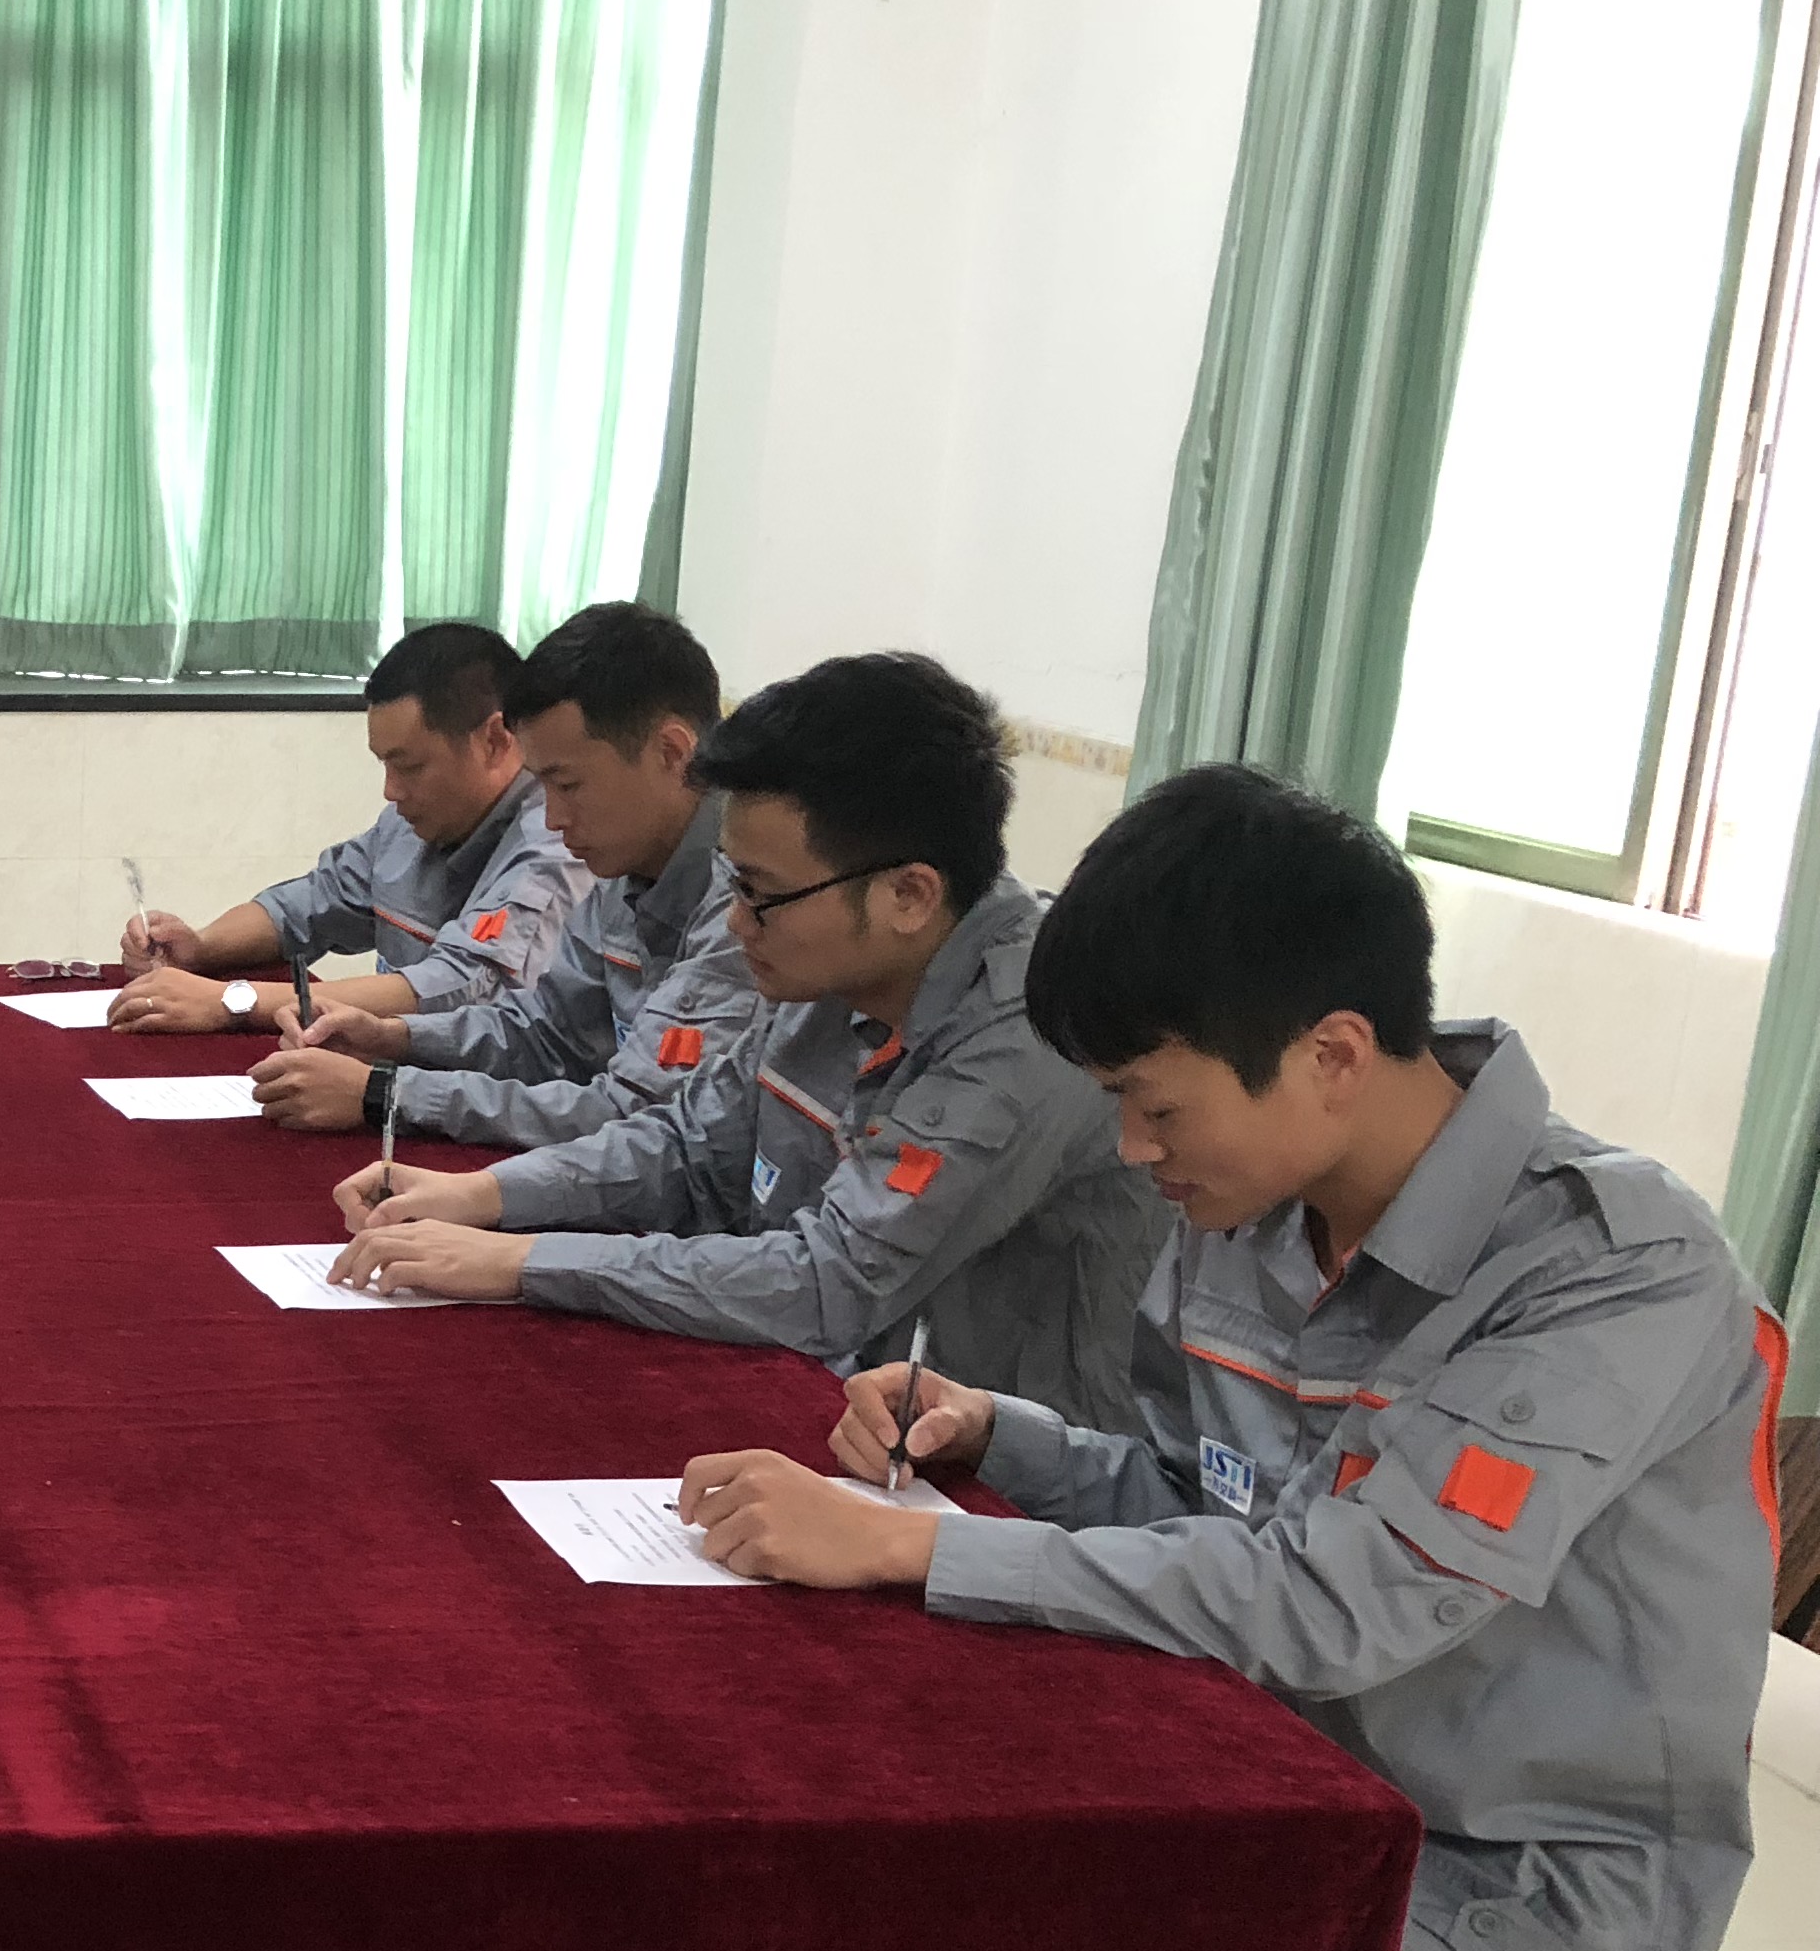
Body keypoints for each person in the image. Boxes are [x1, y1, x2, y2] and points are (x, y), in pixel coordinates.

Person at [674, 764, 1782, 1951]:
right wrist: (1001, 1439)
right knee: (887, 1880)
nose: (1130, 1151)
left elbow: (1335, 1600)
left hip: (1521, 1886)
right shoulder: (1255, 1210)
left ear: (1330, 1052)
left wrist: (906, 1551)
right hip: (1273, 1779)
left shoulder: (1609, 1268)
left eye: (1151, 1105)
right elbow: (1218, 1510)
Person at [327, 651, 1162, 1427]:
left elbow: (827, 1283)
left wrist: (522, 1262)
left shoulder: (1031, 1029)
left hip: (993, 1478)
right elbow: (691, 1148)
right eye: (733, 884)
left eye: (759, 894)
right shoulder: (832, 963)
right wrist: (485, 1197)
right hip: (835, 1403)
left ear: (909, 895)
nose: (735, 922)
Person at [249, 602, 755, 1143]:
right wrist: (392, 1038)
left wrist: (388, 1094)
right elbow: (547, 1033)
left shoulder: (748, 900)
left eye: (568, 785)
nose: (553, 818)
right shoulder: (623, 862)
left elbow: (642, 1121)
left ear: (671, 753)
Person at [111, 621, 592, 1035]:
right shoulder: (416, 821)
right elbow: (315, 902)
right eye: (384, 765)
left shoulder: (556, 847)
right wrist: (201, 947)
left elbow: (459, 987)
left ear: (494, 741)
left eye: (410, 767)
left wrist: (233, 1001)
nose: (390, 791)